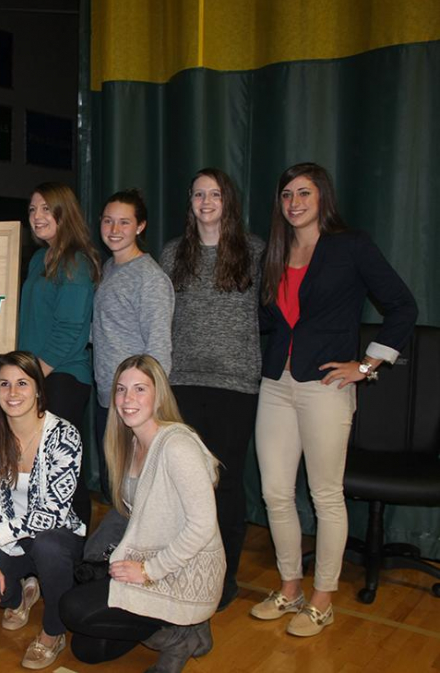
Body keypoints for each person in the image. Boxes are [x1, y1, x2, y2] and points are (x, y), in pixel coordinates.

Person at [252, 162, 417, 636]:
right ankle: (290, 588)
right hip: (276, 384)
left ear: (322, 197)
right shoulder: (277, 251)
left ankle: (323, 598)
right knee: (275, 493)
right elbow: (271, 320)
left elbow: (404, 306)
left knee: (325, 495)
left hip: (326, 387)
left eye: (304, 192)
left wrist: (366, 366)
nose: (294, 202)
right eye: (286, 195)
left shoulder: (352, 246)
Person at [60, 355, 224, 672]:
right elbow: (130, 514)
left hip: (183, 572)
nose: (127, 400)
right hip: (148, 561)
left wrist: (148, 571)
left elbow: (202, 526)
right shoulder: (130, 444)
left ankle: (182, 637)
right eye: (121, 390)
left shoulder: (178, 446)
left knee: (74, 609)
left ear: (158, 395)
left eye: (139, 389)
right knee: (87, 648)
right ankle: (181, 627)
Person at [159, 168, 265, 610]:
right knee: (185, 483)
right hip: (182, 382)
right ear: (190, 202)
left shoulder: (255, 252)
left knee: (225, 484)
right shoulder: (171, 254)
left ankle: (224, 578)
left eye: (215, 194)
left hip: (235, 384)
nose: (206, 202)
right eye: (198, 194)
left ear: (228, 201)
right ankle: (185, 566)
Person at [0, 351, 86, 670]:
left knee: (48, 545)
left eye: (22, 383)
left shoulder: (64, 434)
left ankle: (53, 632)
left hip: (55, 535)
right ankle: (21, 597)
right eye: (4, 384)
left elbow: (54, 512)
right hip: (7, 538)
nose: (13, 392)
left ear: (37, 389)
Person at [19, 183, 102, 525]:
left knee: (61, 468)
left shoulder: (77, 262)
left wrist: (32, 377)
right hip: (36, 375)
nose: (37, 217)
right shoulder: (40, 257)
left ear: (63, 213)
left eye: (45, 209)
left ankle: (73, 549)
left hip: (63, 377)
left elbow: (70, 330)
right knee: (34, 467)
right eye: (32, 210)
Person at [92, 188, 174, 502]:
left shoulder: (149, 278)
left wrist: (146, 402)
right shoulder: (109, 269)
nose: (114, 230)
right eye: (108, 221)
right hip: (107, 398)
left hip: (133, 403)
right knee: (115, 488)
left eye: (124, 223)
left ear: (140, 227)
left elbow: (158, 347)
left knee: (138, 490)